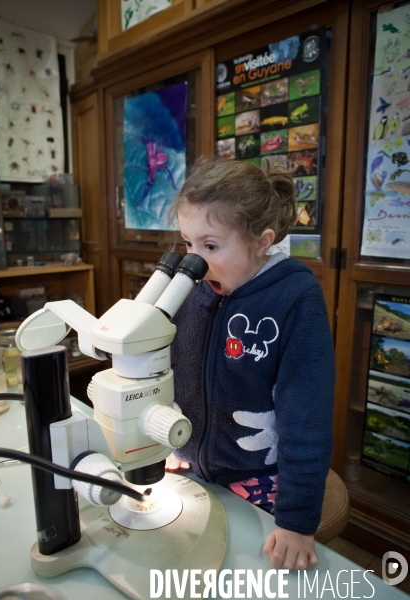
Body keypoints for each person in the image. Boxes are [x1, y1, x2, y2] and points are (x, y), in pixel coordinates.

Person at [166, 156, 335, 571]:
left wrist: (297, 522)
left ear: (262, 241)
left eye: (210, 245)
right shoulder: (193, 288)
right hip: (189, 469)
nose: (195, 260)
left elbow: (307, 417)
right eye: (188, 243)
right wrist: (167, 441)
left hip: (258, 477)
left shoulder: (295, 299)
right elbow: (165, 370)